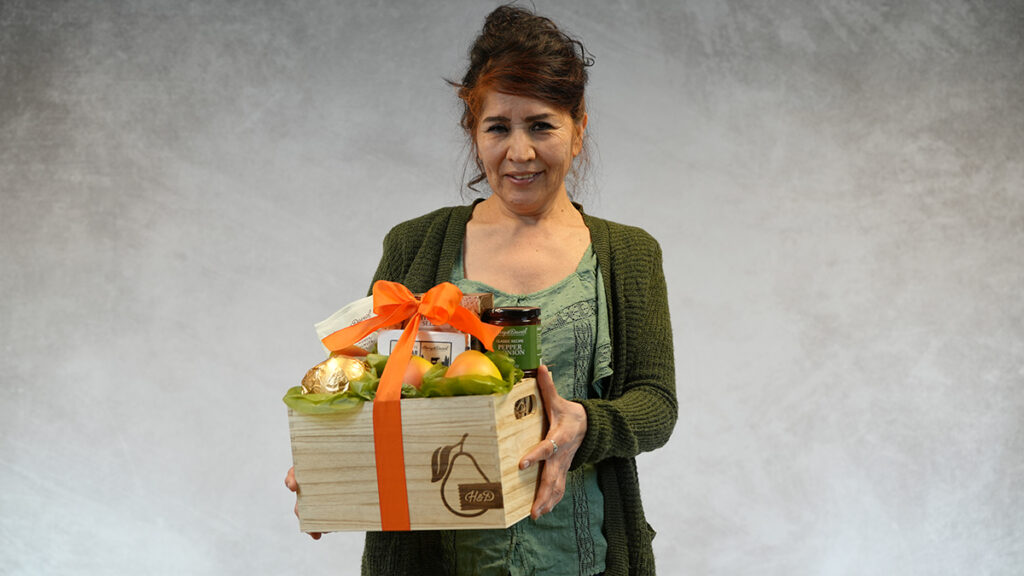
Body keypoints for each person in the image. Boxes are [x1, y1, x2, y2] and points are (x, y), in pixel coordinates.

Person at [286, 5, 677, 575]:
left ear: (578, 127)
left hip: (580, 559)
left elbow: (656, 405)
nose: (519, 152)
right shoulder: (414, 245)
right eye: (498, 127)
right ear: (474, 132)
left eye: (541, 125)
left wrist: (585, 425)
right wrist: (333, 463)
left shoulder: (628, 255)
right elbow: (372, 390)